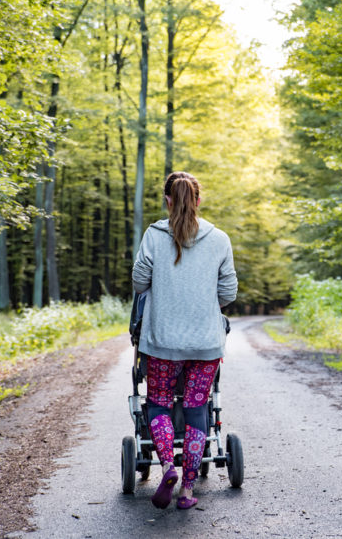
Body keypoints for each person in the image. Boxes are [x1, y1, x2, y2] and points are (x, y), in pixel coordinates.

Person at [132, 171, 237, 510]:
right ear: (198, 201)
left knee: (159, 403)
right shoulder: (219, 238)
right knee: (196, 409)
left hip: (162, 341)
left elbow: (139, 282)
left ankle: (167, 468)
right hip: (206, 343)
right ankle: (188, 490)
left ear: (168, 200)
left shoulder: (154, 235)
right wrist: (206, 306)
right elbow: (229, 291)